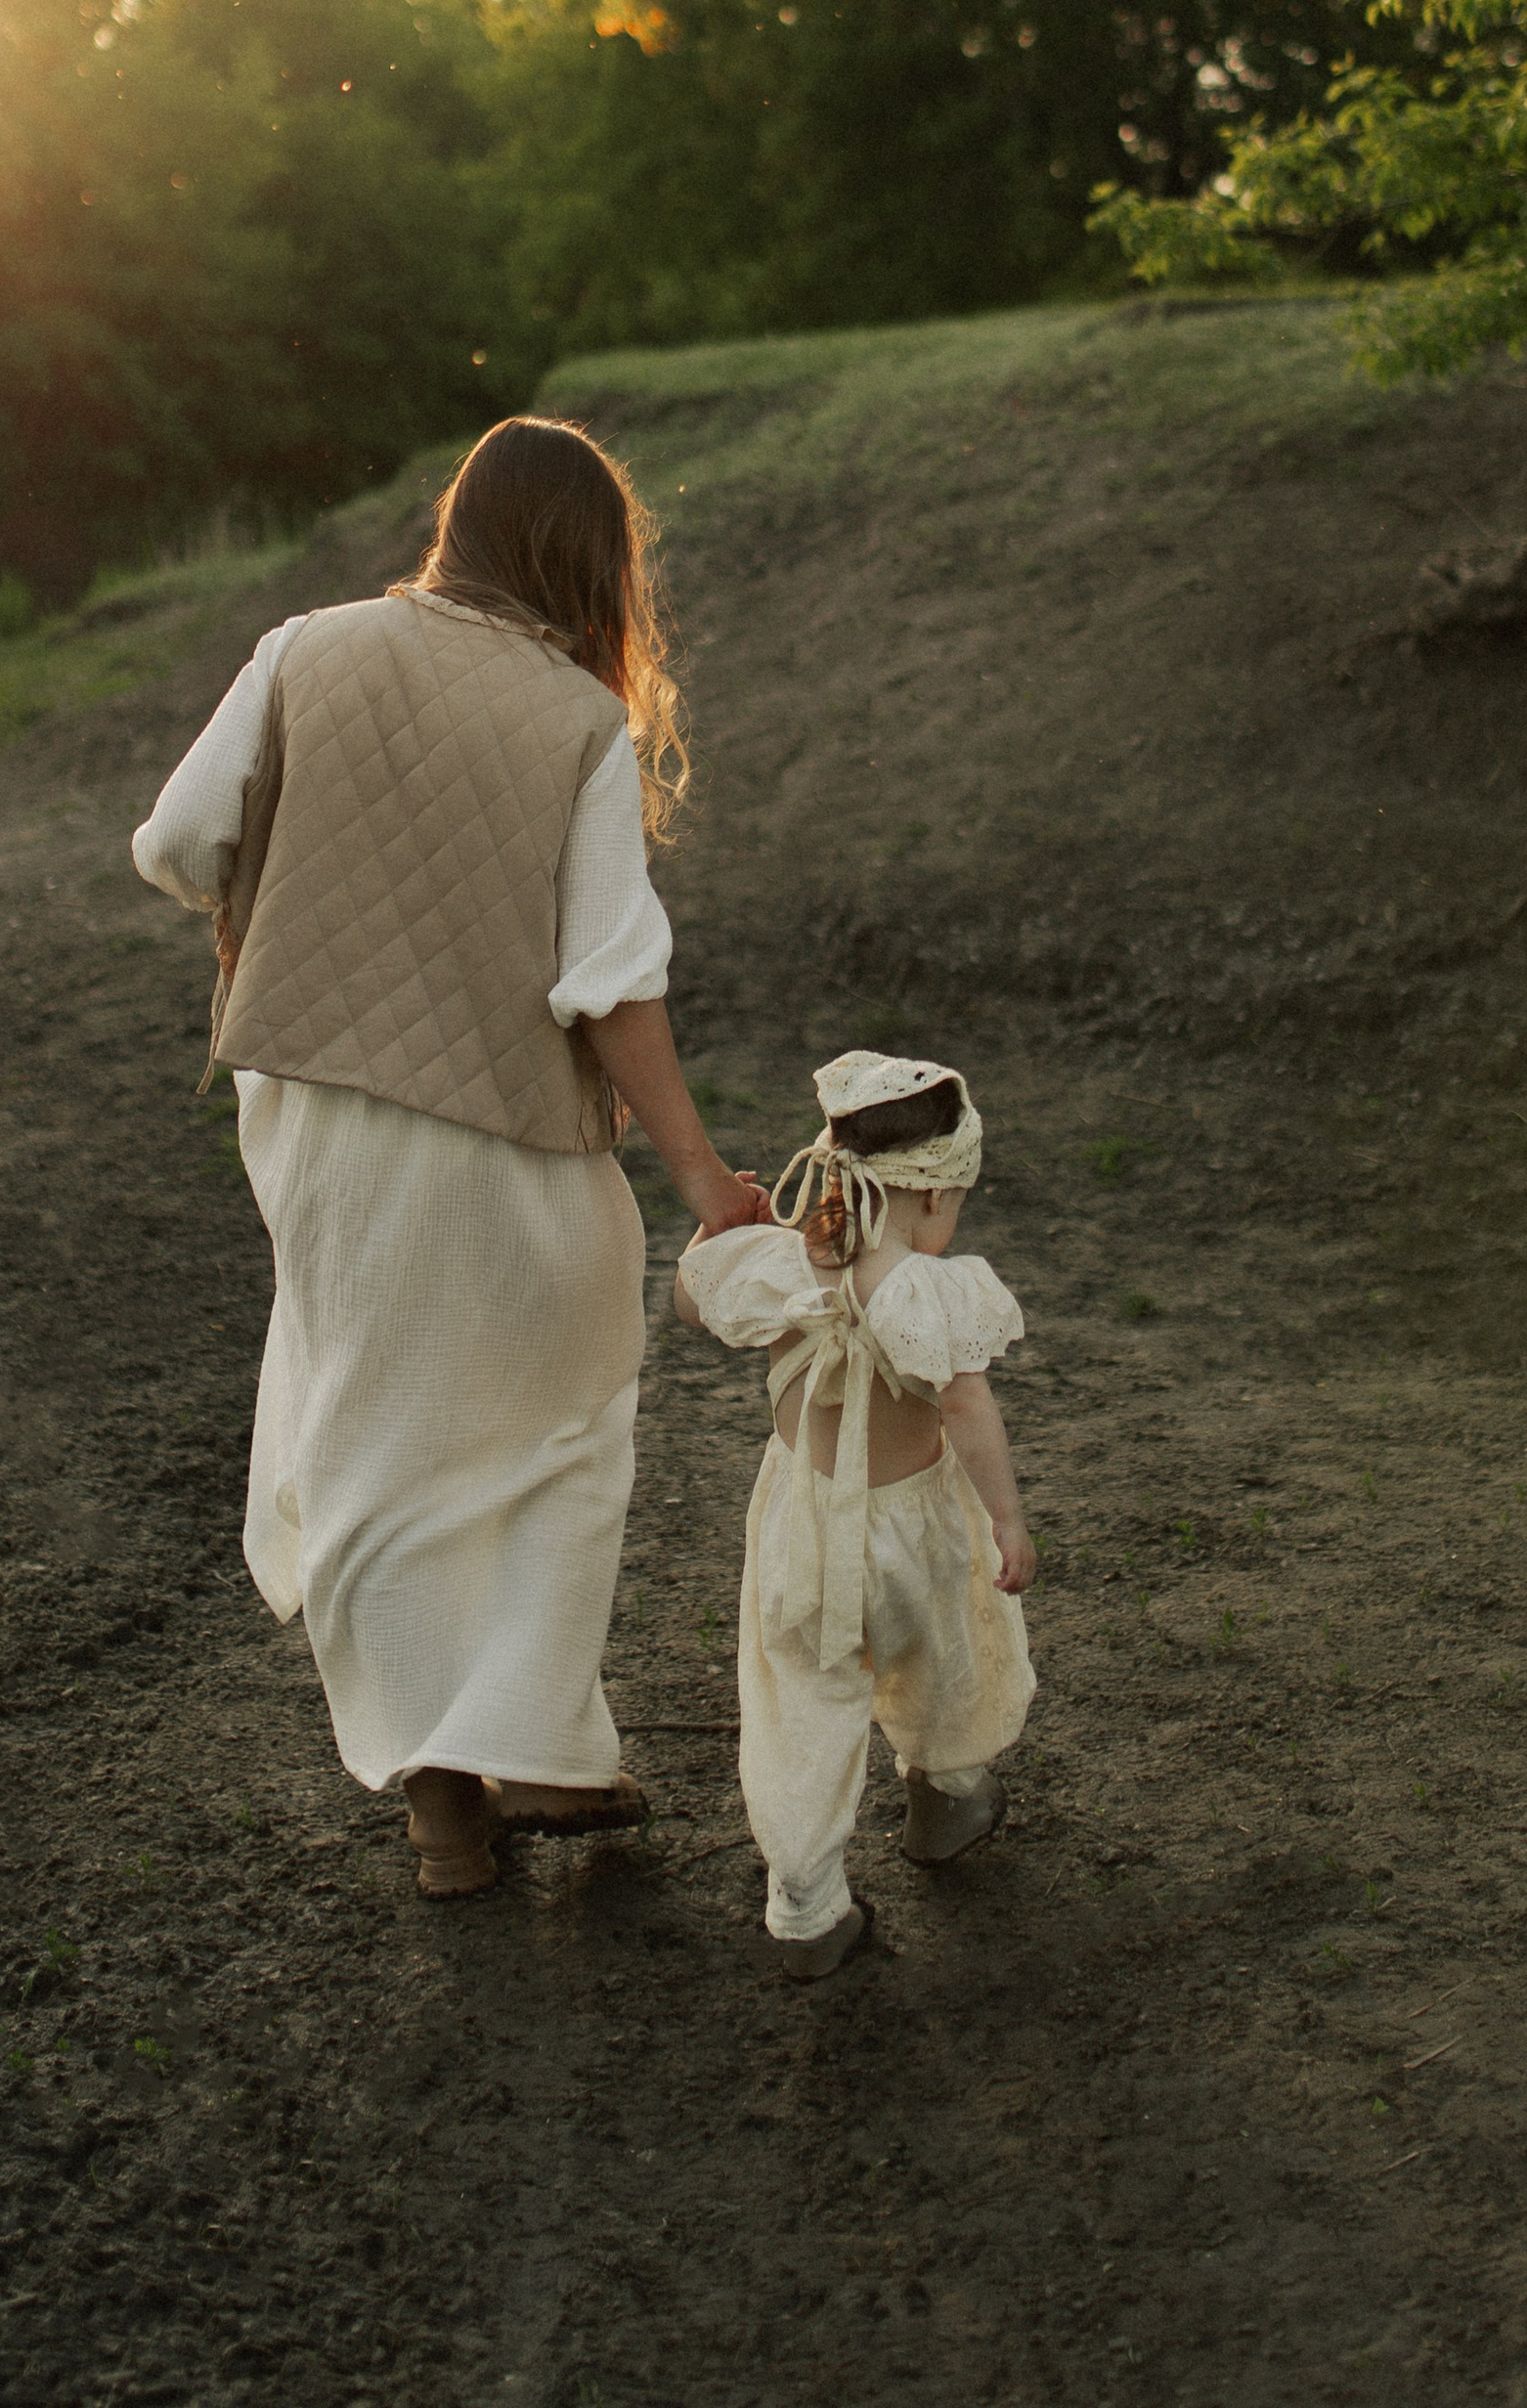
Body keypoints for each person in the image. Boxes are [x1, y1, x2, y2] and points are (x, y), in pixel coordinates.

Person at [131, 415, 766, 1901]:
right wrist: (697, 1181)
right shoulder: (574, 721)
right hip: (513, 1137)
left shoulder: (305, 647)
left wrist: (299, 897)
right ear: (593, 564)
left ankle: (443, 1811)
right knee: (562, 1414)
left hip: (320, 1121)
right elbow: (610, 981)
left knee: (377, 1431)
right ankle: (540, 1744)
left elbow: (174, 844)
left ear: (460, 525)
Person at [673, 1049, 1036, 1978]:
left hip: (806, 1532)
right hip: (910, 1533)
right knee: (944, 1651)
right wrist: (1005, 1520)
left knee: (802, 1701)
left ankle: (805, 1900)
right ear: (924, 1200)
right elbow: (964, 1407)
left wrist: (712, 1238)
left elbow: (687, 1298)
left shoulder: (774, 1264)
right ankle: (946, 1799)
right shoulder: (931, 1291)